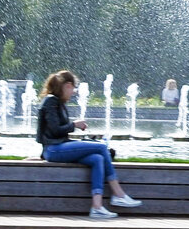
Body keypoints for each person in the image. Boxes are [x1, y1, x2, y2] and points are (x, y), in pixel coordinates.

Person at [36, 70, 142, 219]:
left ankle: (97, 207)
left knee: (97, 158)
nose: (73, 92)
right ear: (67, 85)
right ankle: (118, 193)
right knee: (101, 147)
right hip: (53, 149)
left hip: (57, 147)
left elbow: (53, 131)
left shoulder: (57, 103)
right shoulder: (51, 101)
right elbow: (54, 131)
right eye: (73, 88)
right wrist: (75, 125)